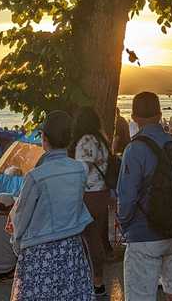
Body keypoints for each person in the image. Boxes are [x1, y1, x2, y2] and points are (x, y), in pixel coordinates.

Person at [10, 110, 93, 301]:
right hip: (72, 247)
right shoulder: (81, 169)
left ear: (44, 138)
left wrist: (16, 241)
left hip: (40, 251)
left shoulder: (36, 176)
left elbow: (22, 216)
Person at [117, 92, 172, 301]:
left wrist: (125, 223)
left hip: (144, 233)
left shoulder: (135, 149)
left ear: (134, 117)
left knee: (141, 296)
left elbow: (127, 197)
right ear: (159, 115)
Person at [69, 106, 111, 297]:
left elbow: (81, 172)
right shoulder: (102, 140)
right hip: (102, 193)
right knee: (95, 237)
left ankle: (92, 281)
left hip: (88, 195)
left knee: (86, 239)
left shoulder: (86, 141)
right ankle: (98, 281)